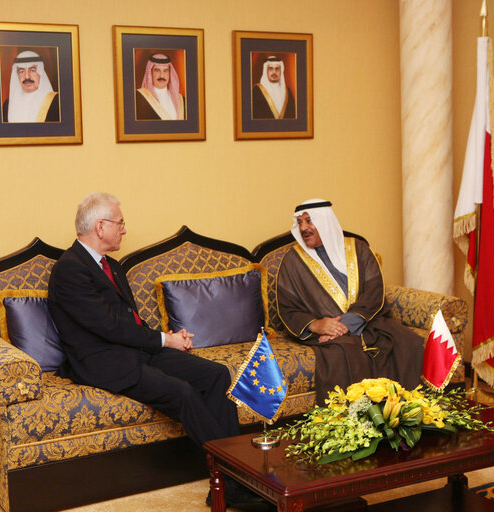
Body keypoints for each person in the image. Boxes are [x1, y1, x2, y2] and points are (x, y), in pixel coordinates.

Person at [48, 193, 271, 512]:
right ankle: (231, 482)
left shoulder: (109, 265)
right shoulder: (70, 269)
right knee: (182, 393)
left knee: (217, 374)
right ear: (100, 226)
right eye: (120, 223)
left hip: (136, 350)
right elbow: (108, 327)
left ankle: (233, 478)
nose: (124, 230)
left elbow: (130, 319)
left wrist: (167, 337)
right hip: (103, 362)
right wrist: (165, 340)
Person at [276, 199, 424, 404]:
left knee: (410, 342)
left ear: (325, 221)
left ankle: (408, 413)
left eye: (309, 221)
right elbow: (287, 307)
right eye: (299, 223)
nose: (303, 228)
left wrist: (347, 324)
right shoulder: (292, 261)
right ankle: (351, 425)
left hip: (368, 321)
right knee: (342, 354)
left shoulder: (359, 249)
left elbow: (374, 291)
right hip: (325, 332)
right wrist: (317, 325)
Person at [2, 50, 59, 123]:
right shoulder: (8, 105)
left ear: (40, 72)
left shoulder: (56, 102)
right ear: (17, 75)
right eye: (21, 71)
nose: (27, 77)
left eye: (32, 70)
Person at [135, 53, 185, 120]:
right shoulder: (139, 98)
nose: (162, 75)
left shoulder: (182, 100)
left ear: (170, 73)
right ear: (150, 73)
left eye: (165, 71)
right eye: (157, 70)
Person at [252, 56, 296, 120]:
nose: (274, 72)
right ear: (266, 71)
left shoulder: (288, 92)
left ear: (281, 71)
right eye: (270, 68)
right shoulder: (256, 91)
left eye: (277, 69)